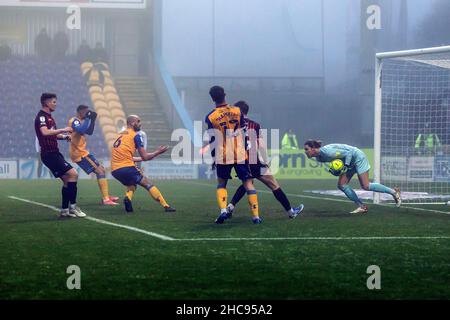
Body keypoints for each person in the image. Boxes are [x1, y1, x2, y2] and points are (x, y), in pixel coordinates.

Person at [226, 101, 304, 219]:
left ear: (239, 111)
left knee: (248, 183)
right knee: (273, 184)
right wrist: (266, 160)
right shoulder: (254, 125)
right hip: (253, 159)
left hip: (240, 161)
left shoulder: (232, 126)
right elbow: (261, 145)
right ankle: (291, 212)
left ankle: (230, 207)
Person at [205, 86, 261, 224]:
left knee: (222, 184)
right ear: (225, 95)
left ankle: (223, 211)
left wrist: (213, 158)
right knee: (248, 183)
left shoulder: (210, 116)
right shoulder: (237, 111)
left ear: (212, 99)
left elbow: (213, 138)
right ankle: (256, 217)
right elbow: (244, 131)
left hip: (222, 154)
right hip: (240, 154)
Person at [304, 140, 401, 214]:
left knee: (366, 186)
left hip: (357, 157)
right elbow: (336, 163)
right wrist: (336, 171)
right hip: (349, 162)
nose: (305, 151)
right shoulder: (319, 158)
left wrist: (345, 166)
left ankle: (394, 192)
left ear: (313, 149)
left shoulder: (327, 152)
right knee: (342, 185)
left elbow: (348, 153)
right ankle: (362, 206)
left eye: (306, 149)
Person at [34, 93, 86, 218]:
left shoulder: (50, 117)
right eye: (53, 102)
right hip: (49, 154)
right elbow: (45, 132)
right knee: (73, 174)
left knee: (68, 180)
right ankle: (73, 207)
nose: (55, 104)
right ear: (46, 102)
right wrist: (63, 129)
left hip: (54, 153)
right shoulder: (41, 117)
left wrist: (64, 136)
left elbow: (53, 134)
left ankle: (64, 210)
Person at [111, 115, 175, 213]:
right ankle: (166, 206)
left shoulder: (120, 135)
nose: (140, 123)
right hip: (126, 167)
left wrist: (140, 159)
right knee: (148, 183)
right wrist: (158, 152)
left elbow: (128, 156)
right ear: (132, 123)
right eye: (138, 121)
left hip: (115, 170)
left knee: (132, 184)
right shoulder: (136, 136)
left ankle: (128, 198)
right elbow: (145, 157)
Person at [68, 105, 119, 205]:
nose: (88, 113)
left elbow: (89, 132)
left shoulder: (81, 121)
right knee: (100, 171)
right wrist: (88, 118)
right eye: (86, 112)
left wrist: (92, 120)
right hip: (79, 153)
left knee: (102, 170)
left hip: (83, 152)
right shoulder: (74, 120)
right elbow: (82, 130)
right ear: (80, 112)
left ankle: (106, 196)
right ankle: (105, 199)